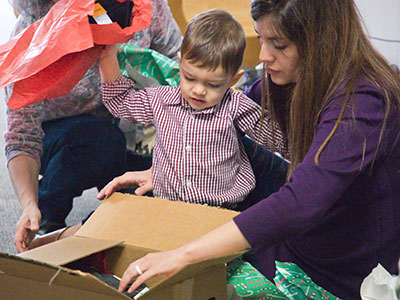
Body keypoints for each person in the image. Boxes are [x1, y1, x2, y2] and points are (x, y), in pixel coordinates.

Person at [114, 1, 400, 299]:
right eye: (261, 39)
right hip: (296, 236)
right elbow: (213, 120)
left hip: (337, 265)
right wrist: (167, 168)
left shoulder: (365, 102)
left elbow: (301, 202)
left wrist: (183, 255)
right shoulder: (286, 78)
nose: (263, 56)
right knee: (222, 126)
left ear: (320, 42)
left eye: (278, 44)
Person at [6, 0, 183, 253]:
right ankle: (49, 216)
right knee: (99, 139)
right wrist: (28, 204)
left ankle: (87, 228)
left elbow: (180, 64)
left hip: (132, 128)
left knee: (157, 205)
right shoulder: (36, 30)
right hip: (65, 135)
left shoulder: (144, 6)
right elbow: (21, 136)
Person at [98, 8, 283, 208]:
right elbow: (121, 101)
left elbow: (280, 140)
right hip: (168, 204)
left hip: (222, 209)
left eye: (212, 85)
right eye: (189, 78)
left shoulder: (236, 106)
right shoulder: (162, 100)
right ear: (180, 64)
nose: (198, 91)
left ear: (233, 79)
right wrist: (108, 57)